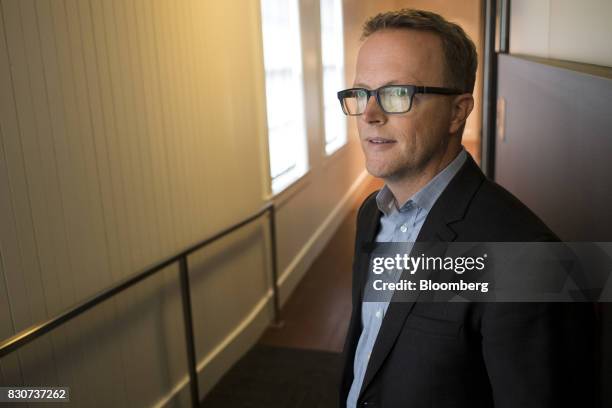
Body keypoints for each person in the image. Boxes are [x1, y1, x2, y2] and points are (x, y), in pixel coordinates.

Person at [338, 9, 598, 408]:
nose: (370, 115)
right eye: (361, 93)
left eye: (397, 94)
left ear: (458, 111)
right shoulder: (372, 214)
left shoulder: (525, 259)